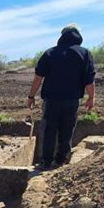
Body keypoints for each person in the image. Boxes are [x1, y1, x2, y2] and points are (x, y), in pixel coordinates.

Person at [27, 24, 96, 169]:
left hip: (51, 100)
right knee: (67, 131)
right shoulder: (84, 54)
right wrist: (91, 97)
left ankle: (46, 162)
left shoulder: (50, 53)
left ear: (61, 35)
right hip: (72, 101)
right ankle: (60, 161)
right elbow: (89, 79)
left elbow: (38, 77)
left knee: (49, 131)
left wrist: (31, 96)